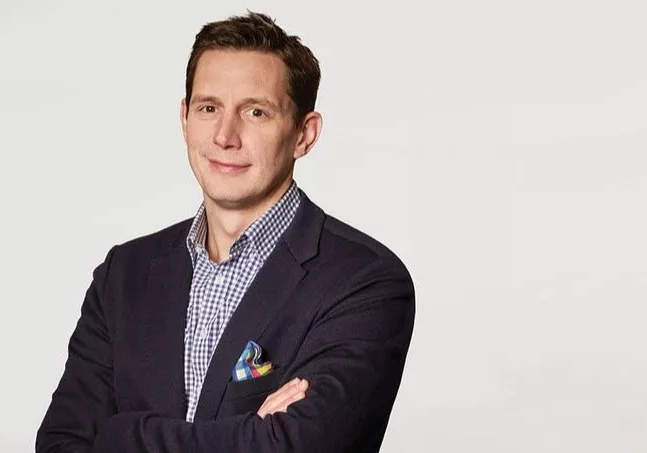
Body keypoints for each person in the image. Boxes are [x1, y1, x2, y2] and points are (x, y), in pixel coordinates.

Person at [36, 11, 415, 453]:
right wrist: (250, 433)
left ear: (304, 135)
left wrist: (119, 435)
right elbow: (61, 444)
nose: (225, 136)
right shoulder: (123, 275)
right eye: (209, 108)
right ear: (184, 118)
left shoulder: (365, 281)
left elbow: (298, 447)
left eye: (256, 112)